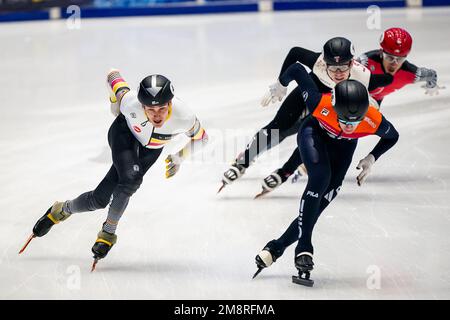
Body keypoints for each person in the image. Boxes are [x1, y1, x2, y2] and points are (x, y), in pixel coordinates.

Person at [19, 70, 208, 271]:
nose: (157, 115)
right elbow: (113, 78)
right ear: (141, 105)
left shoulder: (185, 116)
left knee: (99, 200)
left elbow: (202, 139)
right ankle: (108, 233)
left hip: (151, 149)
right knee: (131, 180)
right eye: (150, 110)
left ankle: (61, 210)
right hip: (123, 134)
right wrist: (113, 100)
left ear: (170, 103)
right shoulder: (130, 102)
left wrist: (180, 157)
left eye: (162, 108)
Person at [253, 62, 399, 287]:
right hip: (314, 135)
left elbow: (393, 136)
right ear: (333, 106)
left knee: (322, 201)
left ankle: (276, 247)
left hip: (343, 150)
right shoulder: (318, 103)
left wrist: (372, 157)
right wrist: (280, 84)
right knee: (320, 178)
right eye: (344, 119)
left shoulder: (373, 120)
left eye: (355, 121)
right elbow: (297, 69)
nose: (350, 126)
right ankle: (304, 247)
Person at [268, 27, 442, 193]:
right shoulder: (366, 61)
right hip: (345, 98)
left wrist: (432, 86)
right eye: (389, 57)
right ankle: (275, 163)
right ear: (382, 52)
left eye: (400, 58)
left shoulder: (413, 74)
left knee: (333, 134)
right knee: (299, 128)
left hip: (368, 106)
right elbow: (345, 71)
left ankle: (289, 169)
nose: (394, 63)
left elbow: (431, 75)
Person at [218, 37, 392, 195]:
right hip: (312, 92)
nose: (338, 73)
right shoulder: (318, 62)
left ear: (352, 63)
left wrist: (373, 105)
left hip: (332, 106)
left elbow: (386, 81)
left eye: (343, 67)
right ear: (325, 63)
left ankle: (285, 172)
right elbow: (295, 53)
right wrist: (281, 83)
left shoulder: (363, 76)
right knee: (278, 126)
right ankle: (245, 159)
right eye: (333, 67)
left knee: (313, 135)